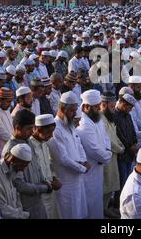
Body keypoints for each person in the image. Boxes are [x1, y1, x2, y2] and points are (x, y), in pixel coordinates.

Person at [47, 91, 89, 219]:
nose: (74, 114)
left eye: (75, 111)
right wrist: (82, 168)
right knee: (68, 213)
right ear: (62, 109)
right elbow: (63, 159)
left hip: (77, 180)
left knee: (79, 212)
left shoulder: (69, 125)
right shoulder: (55, 129)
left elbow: (79, 145)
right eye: (71, 111)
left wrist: (84, 160)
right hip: (66, 182)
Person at [2, 110, 51, 219]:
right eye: (29, 128)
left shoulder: (28, 141)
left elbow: (37, 167)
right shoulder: (11, 150)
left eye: (33, 128)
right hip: (25, 205)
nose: (32, 132)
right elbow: (19, 185)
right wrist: (44, 188)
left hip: (38, 200)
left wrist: (45, 182)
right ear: (18, 128)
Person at [77, 89, 112, 219]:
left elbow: (106, 137)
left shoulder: (97, 118)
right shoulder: (84, 124)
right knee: (90, 202)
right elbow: (93, 149)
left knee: (97, 199)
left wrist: (107, 151)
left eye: (99, 106)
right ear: (86, 107)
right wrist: (107, 156)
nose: (99, 109)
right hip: (90, 170)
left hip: (99, 166)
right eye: (96, 107)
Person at [29, 114, 62, 219]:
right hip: (39, 193)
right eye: (48, 132)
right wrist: (49, 184)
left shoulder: (44, 143)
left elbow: (48, 165)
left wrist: (54, 178)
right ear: (37, 130)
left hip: (50, 191)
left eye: (52, 132)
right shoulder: (30, 146)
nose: (51, 136)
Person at [100, 92, 124, 219]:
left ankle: (107, 208)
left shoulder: (110, 118)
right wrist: (119, 148)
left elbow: (114, 136)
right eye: (111, 106)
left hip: (114, 156)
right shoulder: (100, 119)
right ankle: (103, 210)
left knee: (112, 184)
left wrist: (121, 145)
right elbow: (107, 140)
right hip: (107, 156)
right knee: (106, 185)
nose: (114, 108)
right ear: (103, 105)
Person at [0, 143, 31, 219]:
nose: (23, 169)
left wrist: (20, 213)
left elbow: (17, 197)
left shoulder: (14, 170)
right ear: (12, 159)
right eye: (22, 165)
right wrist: (23, 215)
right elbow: (1, 208)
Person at [115, 94, 139, 188]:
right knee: (122, 181)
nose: (131, 110)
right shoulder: (115, 116)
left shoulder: (128, 116)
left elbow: (132, 130)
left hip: (130, 153)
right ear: (123, 104)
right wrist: (130, 146)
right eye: (129, 107)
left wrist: (134, 142)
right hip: (122, 154)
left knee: (128, 180)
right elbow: (119, 135)